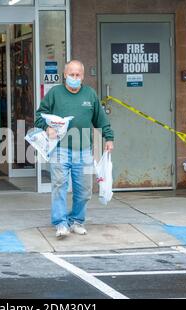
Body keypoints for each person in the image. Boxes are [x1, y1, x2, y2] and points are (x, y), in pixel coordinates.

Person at [35, 60, 114, 238]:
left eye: (78, 75)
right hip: (60, 149)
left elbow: (100, 119)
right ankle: (61, 223)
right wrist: (47, 127)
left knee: (84, 190)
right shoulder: (55, 93)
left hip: (84, 149)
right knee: (59, 187)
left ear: (83, 76)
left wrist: (109, 137)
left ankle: (77, 221)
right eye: (71, 74)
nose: (74, 78)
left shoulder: (90, 94)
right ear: (65, 75)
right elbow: (39, 115)